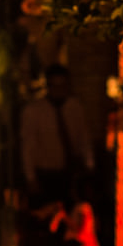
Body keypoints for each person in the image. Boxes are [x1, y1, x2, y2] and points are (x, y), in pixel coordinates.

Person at [19, 63, 94, 208]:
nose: (59, 90)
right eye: (55, 86)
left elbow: (83, 138)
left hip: (70, 173)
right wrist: (30, 177)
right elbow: (28, 146)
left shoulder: (75, 107)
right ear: (48, 86)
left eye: (63, 86)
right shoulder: (34, 111)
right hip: (45, 174)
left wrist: (89, 166)